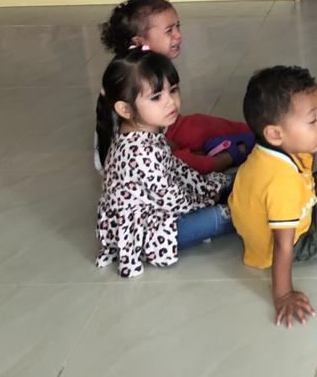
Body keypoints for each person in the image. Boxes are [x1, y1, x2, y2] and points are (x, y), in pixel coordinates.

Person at [229, 66, 317, 327]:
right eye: (312, 120)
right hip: (295, 239)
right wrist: (283, 295)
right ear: (275, 133)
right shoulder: (281, 182)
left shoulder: (275, 150)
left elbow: (302, 178)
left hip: (299, 203)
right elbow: (283, 245)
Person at [95, 48, 233, 278]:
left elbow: (176, 172)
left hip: (161, 207)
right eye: (156, 97)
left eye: (174, 90)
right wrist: (210, 198)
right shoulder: (139, 153)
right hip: (152, 231)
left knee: (229, 182)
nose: (171, 102)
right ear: (125, 109)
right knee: (225, 215)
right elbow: (174, 201)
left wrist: (210, 187)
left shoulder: (141, 129)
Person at [100, 0, 252, 173]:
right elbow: (123, 137)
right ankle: (226, 157)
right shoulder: (127, 76)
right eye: (169, 31)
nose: (178, 35)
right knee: (185, 162)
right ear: (139, 42)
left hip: (163, 129)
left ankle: (254, 130)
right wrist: (167, 146)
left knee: (200, 124)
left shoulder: (149, 63)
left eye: (177, 26)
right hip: (142, 149)